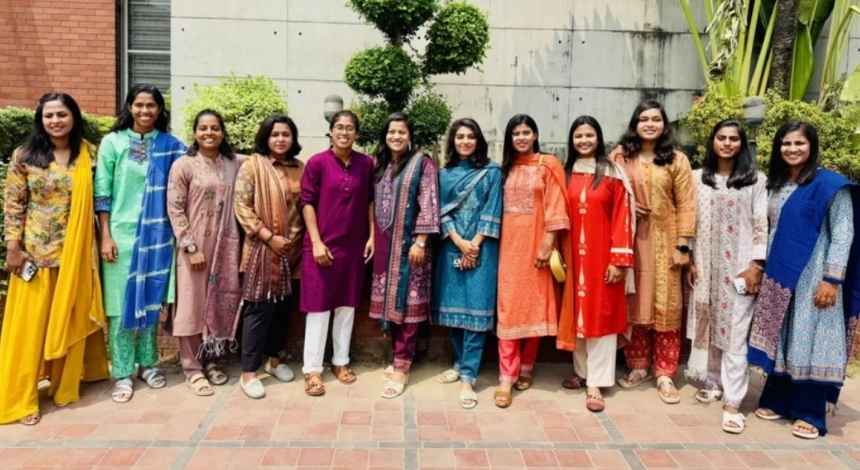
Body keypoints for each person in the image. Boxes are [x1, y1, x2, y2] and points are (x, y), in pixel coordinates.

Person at [0, 93, 109, 424]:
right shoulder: (25, 155)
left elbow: (102, 200)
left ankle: (64, 385)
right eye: (49, 115)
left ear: (74, 117)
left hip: (76, 257)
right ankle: (22, 399)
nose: (55, 121)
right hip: (35, 255)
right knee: (29, 331)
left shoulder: (89, 154)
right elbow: (14, 204)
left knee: (69, 320)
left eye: (62, 114)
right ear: (40, 119)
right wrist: (13, 247)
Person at [748, 121, 859, 440]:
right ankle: (778, 400)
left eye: (799, 143)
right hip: (781, 274)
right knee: (783, 335)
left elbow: (843, 233)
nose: (792, 149)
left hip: (815, 276)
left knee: (813, 338)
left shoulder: (830, 185)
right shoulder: (776, 184)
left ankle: (811, 411)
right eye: (786, 143)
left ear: (812, 146)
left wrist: (831, 280)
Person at [95, 84, 186, 403]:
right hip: (120, 234)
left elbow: (197, 166)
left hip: (158, 235)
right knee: (120, 306)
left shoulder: (171, 145)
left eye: (151, 106)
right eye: (139, 105)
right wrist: (105, 235)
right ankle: (122, 371)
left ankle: (148, 364)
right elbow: (102, 191)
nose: (145, 111)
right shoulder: (113, 142)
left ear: (160, 110)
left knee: (151, 300)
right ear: (129, 107)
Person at [610, 99, 695, 404]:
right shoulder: (620, 157)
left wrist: (683, 245)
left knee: (666, 306)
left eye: (655, 119)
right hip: (630, 241)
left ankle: (664, 372)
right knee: (635, 303)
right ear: (635, 124)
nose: (649, 124)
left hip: (666, 241)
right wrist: (628, 205)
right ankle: (637, 366)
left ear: (664, 124)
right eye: (644, 119)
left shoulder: (677, 159)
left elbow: (686, 203)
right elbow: (609, 193)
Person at [684, 120, 766, 433]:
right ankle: (713, 381)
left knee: (734, 332)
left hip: (740, 269)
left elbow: (761, 223)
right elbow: (690, 221)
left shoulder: (755, 180)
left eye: (734, 138)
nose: (727, 143)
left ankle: (733, 401)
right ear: (713, 142)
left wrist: (757, 264)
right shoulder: (697, 178)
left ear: (742, 144)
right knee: (709, 324)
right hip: (706, 266)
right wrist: (691, 258)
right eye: (722, 138)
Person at [556, 116, 635, 413]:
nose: (584, 141)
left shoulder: (613, 173)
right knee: (576, 314)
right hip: (572, 258)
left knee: (601, 316)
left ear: (598, 138)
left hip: (603, 258)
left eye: (589, 135)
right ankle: (582, 372)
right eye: (578, 136)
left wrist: (618, 260)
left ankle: (597, 383)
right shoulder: (565, 172)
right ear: (572, 140)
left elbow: (623, 218)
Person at [495, 114, 570, 408]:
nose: (521, 138)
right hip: (507, 250)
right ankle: (506, 377)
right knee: (509, 310)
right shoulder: (504, 168)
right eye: (516, 133)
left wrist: (547, 244)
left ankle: (526, 366)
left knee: (535, 306)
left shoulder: (548, 164)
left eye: (526, 132)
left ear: (535, 135)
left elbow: (556, 204)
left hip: (537, 247)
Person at [166, 109, 243, 396]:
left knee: (220, 300)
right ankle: (192, 368)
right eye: (203, 128)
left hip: (226, 246)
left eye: (215, 128)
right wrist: (189, 246)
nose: (209, 133)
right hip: (194, 247)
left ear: (222, 132)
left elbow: (263, 161)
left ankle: (213, 360)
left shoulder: (233, 163)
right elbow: (175, 208)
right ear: (195, 132)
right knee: (191, 305)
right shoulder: (183, 165)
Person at [300, 110, 375, 397]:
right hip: (322, 246)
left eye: (350, 128)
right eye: (339, 127)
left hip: (353, 247)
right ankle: (312, 370)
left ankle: (340, 362)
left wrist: (372, 236)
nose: (344, 132)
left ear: (357, 133)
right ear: (331, 131)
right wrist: (317, 242)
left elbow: (369, 202)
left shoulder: (365, 164)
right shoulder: (317, 163)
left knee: (347, 306)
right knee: (318, 308)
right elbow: (307, 203)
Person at [233, 114, 305, 399]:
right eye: (275, 134)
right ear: (266, 137)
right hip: (261, 250)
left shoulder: (300, 168)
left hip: (293, 251)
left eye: (286, 134)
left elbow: (307, 205)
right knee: (258, 310)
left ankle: (274, 361)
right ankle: (248, 373)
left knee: (283, 310)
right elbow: (242, 207)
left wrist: (292, 242)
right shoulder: (253, 166)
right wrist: (268, 237)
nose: (280, 139)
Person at [370, 112, 441, 399]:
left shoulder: (422, 164)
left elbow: (429, 202)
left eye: (401, 132)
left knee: (409, 306)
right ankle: (398, 356)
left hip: (411, 247)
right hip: (385, 247)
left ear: (410, 136)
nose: (396, 136)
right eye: (391, 132)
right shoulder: (381, 165)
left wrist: (421, 241)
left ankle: (402, 365)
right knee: (390, 304)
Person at [432, 118, 502, 409]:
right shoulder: (444, 174)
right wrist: (459, 241)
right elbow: (438, 211)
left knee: (476, 310)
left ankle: (469, 377)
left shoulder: (492, 172)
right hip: (451, 247)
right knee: (453, 311)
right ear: (453, 141)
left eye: (470, 136)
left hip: (483, 248)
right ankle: (460, 363)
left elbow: (493, 208)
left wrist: (475, 243)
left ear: (479, 141)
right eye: (459, 137)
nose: (465, 142)